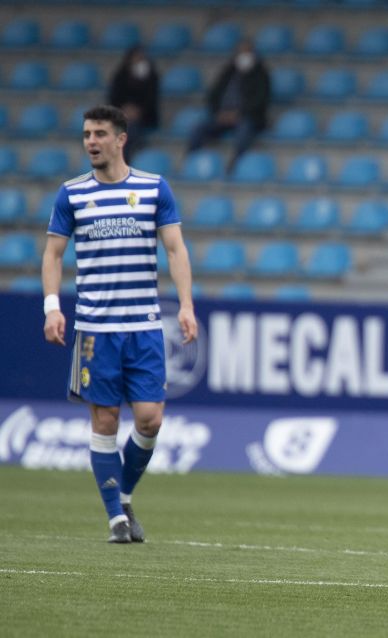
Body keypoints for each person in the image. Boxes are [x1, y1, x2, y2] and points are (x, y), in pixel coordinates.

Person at [42, 105, 197, 543]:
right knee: (105, 421)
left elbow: (175, 249)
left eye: (100, 134)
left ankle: (124, 495)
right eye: (87, 134)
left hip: (144, 326)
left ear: (121, 139)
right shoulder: (71, 194)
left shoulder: (152, 188)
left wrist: (185, 305)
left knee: (150, 420)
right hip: (95, 331)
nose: (91, 141)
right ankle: (115, 519)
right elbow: (53, 254)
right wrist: (52, 307)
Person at [186, 40, 270, 172]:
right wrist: (219, 113)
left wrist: (239, 113)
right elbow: (213, 96)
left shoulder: (261, 75)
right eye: (241, 52)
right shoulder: (228, 73)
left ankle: (236, 165)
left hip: (246, 117)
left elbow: (259, 101)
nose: (244, 56)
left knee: (244, 132)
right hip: (222, 117)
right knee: (198, 129)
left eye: (247, 52)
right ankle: (190, 163)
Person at [107, 45, 160, 163]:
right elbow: (113, 99)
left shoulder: (151, 77)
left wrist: (138, 112)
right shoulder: (120, 76)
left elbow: (151, 101)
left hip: (144, 119)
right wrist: (124, 111)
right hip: (121, 117)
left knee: (129, 133)